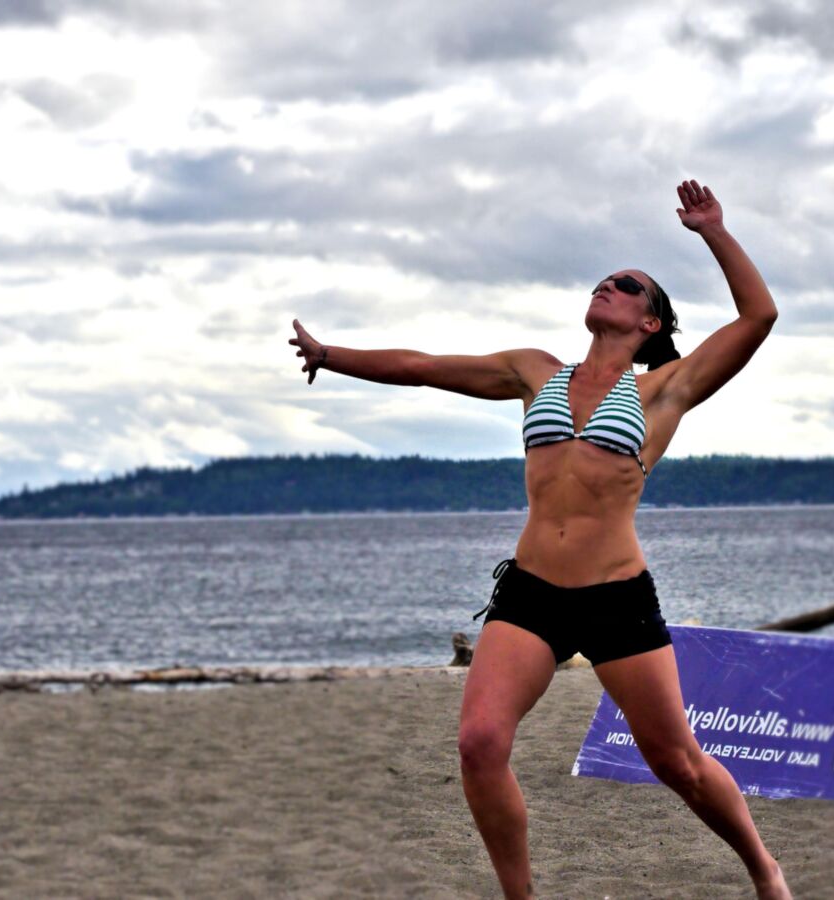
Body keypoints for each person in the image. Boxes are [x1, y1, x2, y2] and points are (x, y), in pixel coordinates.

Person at [287, 180, 790, 899]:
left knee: (676, 761)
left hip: (616, 598)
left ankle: (764, 870)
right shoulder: (535, 372)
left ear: (650, 323)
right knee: (479, 744)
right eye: (602, 281)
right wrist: (332, 355)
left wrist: (713, 230)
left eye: (625, 286)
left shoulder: (666, 390)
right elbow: (425, 369)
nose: (606, 288)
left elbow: (759, 314)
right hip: (531, 594)